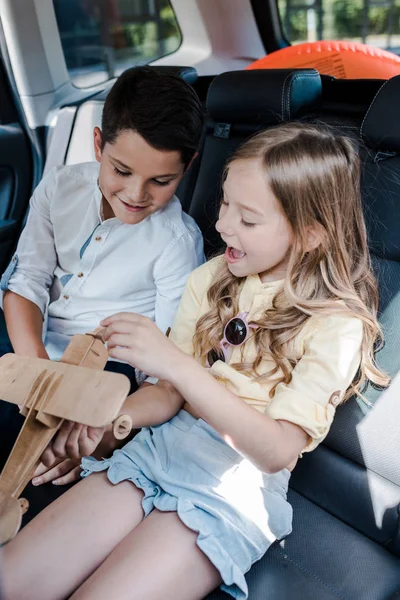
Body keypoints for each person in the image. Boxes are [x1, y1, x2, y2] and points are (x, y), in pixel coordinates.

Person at [2, 123, 389, 600]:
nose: (223, 224)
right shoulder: (211, 279)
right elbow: (166, 396)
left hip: (233, 490)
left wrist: (175, 364)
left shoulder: (335, 324)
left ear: (310, 235)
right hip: (156, 452)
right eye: (225, 204)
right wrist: (106, 425)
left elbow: (276, 452)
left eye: (248, 219)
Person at [0, 65, 204, 479]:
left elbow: (165, 372)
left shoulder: (176, 243)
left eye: (161, 181)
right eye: (122, 171)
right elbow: (26, 284)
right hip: (33, 343)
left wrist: (107, 430)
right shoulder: (58, 187)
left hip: (105, 366)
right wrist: (39, 373)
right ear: (98, 144)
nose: (135, 194)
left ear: (187, 168)